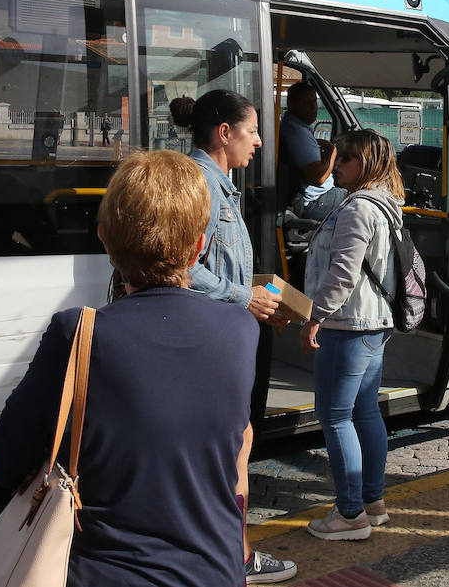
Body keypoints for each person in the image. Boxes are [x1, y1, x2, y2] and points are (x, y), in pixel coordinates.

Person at [0, 150, 257, 586]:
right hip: (213, 572)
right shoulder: (241, 329)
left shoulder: (78, 333)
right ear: (199, 248)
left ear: (104, 239)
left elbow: (5, 460)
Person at [168, 89, 296, 585]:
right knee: (230, 447)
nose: (260, 142)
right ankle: (231, 559)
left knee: (233, 444)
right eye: (253, 130)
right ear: (225, 133)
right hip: (209, 342)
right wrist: (243, 299)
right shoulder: (199, 183)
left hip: (221, 336)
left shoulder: (217, 184)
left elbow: (215, 267)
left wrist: (260, 299)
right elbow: (183, 265)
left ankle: (228, 554)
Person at [299, 129, 401, 541]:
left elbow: (343, 273)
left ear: (367, 164)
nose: (336, 165)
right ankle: (372, 503)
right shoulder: (387, 203)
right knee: (366, 413)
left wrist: (314, 315)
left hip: (348, 325)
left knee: (336, 417)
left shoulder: (359, 208)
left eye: (345, 159)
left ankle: (349, 514)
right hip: (374, 324)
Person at [278, 80, 345, 222]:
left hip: (310, 198)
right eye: (306, 103)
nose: (313, 107)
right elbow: (318, 178)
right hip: (315, 201)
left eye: (314, 102)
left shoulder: (291, 125)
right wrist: (331, 152)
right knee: (360, 199)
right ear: (291, 105)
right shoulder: (298, 133)